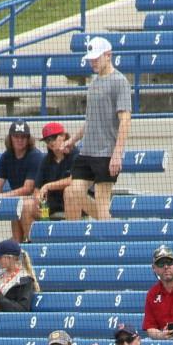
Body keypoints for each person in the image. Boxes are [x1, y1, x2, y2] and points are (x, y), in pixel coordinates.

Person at [66, 37, 131, 220]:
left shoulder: (119, 81)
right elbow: (91, 120)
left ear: (108, 56)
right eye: (91, 59)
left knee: (102, 200)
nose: (93, 62)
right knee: (73, 192)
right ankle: (106, 227)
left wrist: (117, 154)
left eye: (96, 58)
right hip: (87, 151)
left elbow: (125, 119)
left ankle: (107, 239)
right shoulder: (94, 83)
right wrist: (72, 140)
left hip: (106, 153)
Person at [0, 121, 44, 244]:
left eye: (23, 137)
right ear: (10, 138)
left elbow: (27, 189)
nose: (20, 140)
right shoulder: (6, 156)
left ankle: (33, 244)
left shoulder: (35, 156)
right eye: (16, 137)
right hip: (18, 201)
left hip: (38, 201)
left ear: (28, 139)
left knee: (21, 205)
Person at [30, 121, 76, 229]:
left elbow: (73, 180)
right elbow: (37, 188)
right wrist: (37, 198)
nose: (51, 142)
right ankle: (33, 244)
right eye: (47, 140)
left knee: (69, 193)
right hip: (51, 204)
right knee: (27, 207)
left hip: (72, 202)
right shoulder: (45, 160)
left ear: (64, 136)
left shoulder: (76, 155)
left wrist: (48, 186)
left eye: (54, 138)